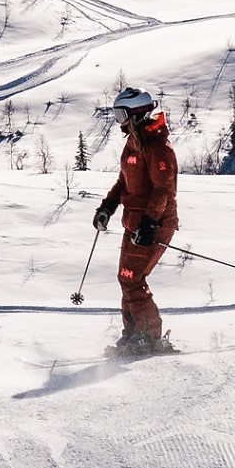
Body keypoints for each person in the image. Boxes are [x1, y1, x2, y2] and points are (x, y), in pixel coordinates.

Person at [91, 86, 179, 353]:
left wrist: (150, 223)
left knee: (131, 278)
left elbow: (163, 189)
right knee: (126, 277)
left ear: (136, 113)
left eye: (121, 115)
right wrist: (107, 206)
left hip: (155, 225)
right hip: (135, 224)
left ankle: (150, 337)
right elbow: (124, 181)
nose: (119, 122)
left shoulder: (157, 148)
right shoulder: (134, 143)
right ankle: (133, 335)